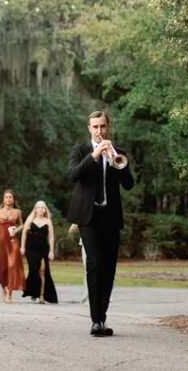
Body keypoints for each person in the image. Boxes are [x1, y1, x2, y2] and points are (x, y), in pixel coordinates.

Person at [67, 110, 134, 337]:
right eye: (95, 127)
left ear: (108, 127)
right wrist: (94, 155)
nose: (99, 131)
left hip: (111, 217)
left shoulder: (119, 153)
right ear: (89, 128)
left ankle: (103, 318)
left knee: (108, 267)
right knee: (95, 263)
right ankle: (95, 320)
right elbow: (73, 175)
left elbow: (129, 184)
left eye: (103, 126)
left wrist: (116, 163)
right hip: (88, 217)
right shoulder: (81, 151)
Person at [0, 189, 26, 303]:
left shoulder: (17, 212)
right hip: (1, 241)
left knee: (12, 265)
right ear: (3, 199)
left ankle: (9, 292)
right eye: (6, 197)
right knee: (3, 266)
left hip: (13, 241)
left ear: (13, 199)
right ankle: (3, 289)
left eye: (10, 197)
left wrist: (16, 230)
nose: (8, 199)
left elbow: (22, 225)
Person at [21, 200, 58, 304]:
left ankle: (41, 295)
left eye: (42, 207)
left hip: (43, 249)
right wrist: (22, 247)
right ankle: (33, 291)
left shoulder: (48, 221)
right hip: (30, 248)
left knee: (42, 270)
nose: (40, 209)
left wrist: (51, 250)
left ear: (45, 209)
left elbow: (51, 237)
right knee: (33, 270)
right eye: (39, 207)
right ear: (35, 209)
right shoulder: (30, 219)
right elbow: (24, 233)